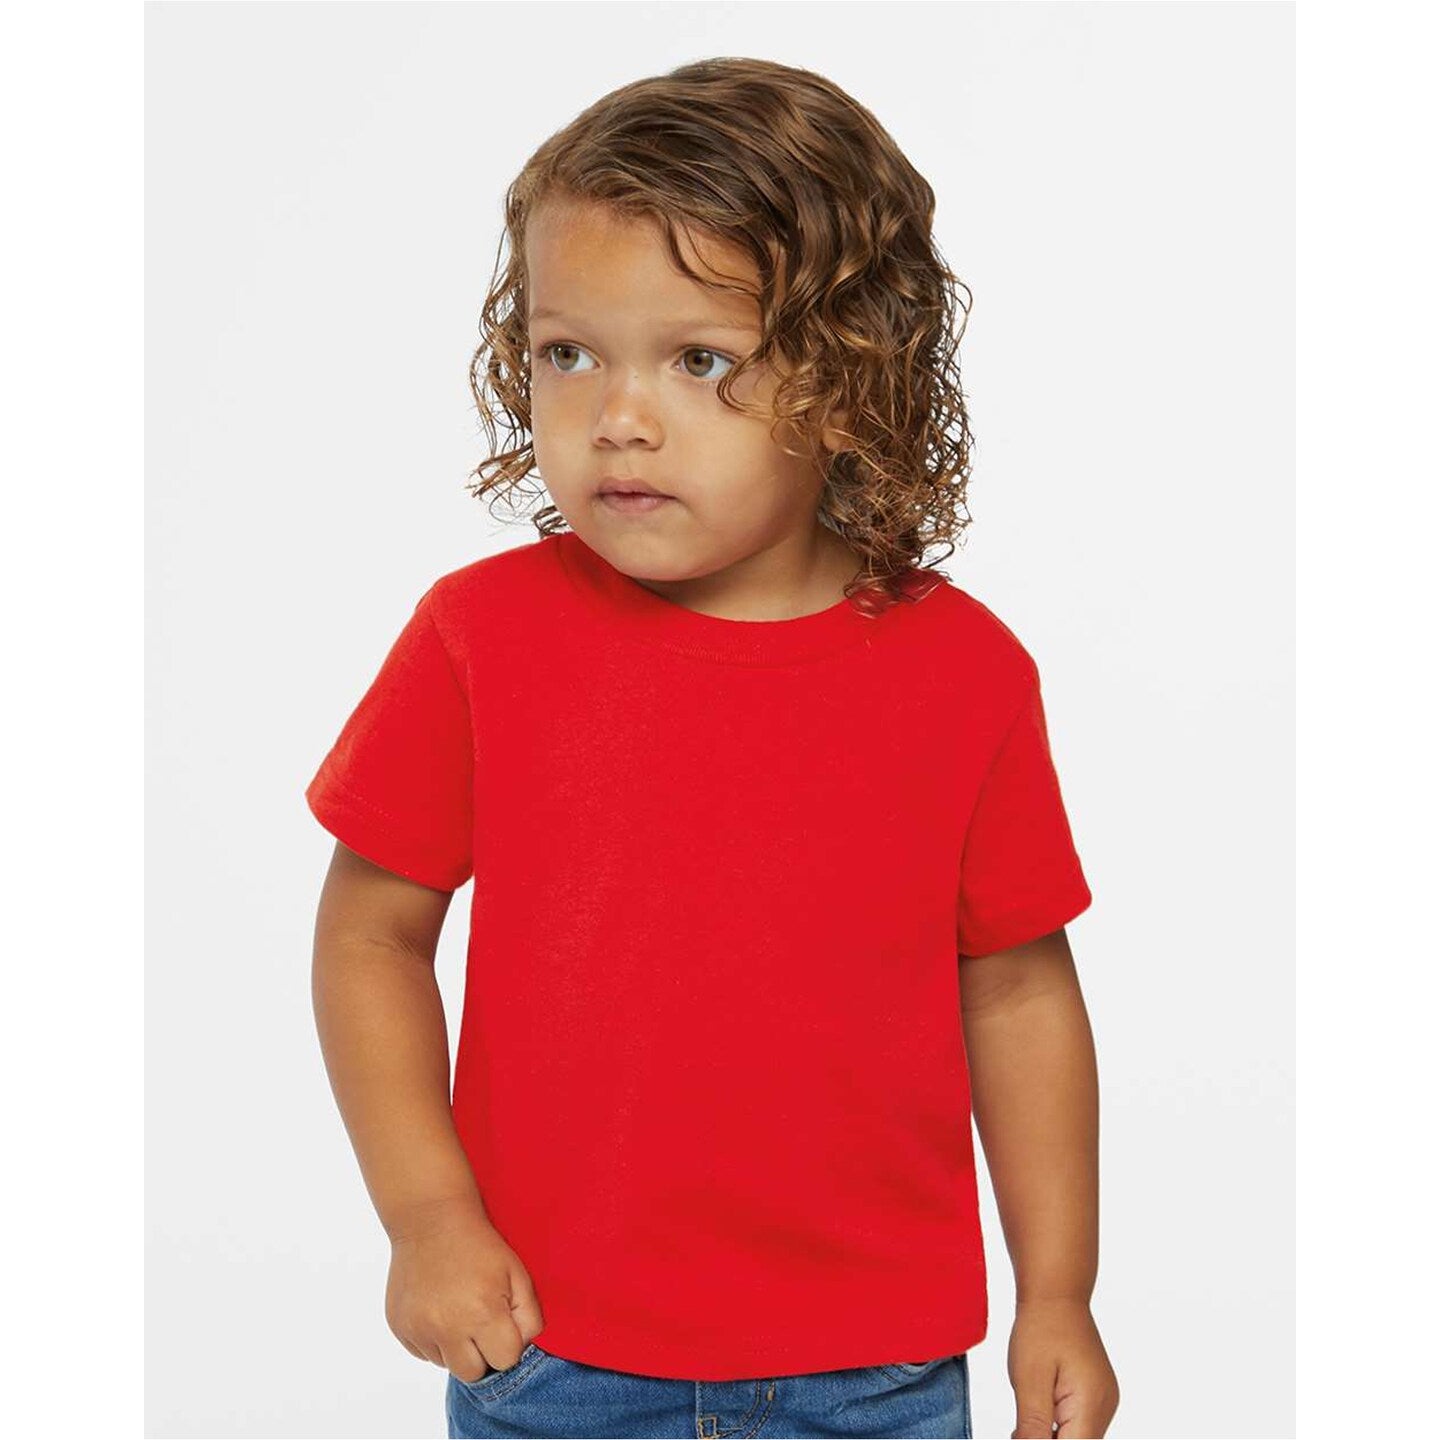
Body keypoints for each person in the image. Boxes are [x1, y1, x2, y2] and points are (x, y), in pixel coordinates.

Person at [305, 56, 1120, 1440]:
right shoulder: (478, 638)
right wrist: (427, 1216)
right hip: (551, 1358)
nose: (619, 416)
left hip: (877, 1378)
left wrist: (1060, 1294)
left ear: (851, 376)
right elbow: (370, 936)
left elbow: (1021, 996)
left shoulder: (965, 673)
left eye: (699, 360)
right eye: (569, 353)